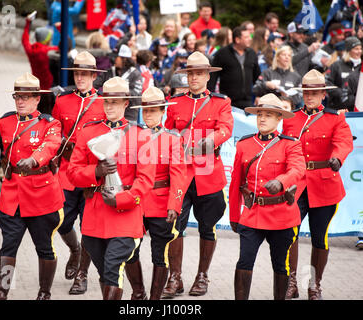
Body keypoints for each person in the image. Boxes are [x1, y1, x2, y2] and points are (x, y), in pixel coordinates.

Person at [66, 77, 156, 300]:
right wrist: (95, 172)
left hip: (126, 214)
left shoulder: (141, 135)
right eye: (106, 102)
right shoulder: (88, 132)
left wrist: (122, 199)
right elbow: (72, 173)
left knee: (112, 267)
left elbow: (145, 180)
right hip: (95, 214)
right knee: (105, 272)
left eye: (115, 102)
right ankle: (139, 294)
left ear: (126, 103)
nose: (110, 107)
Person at [162, 52, 234, 298]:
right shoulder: (175, 102)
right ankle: (175, 277)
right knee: (175, 227)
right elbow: (168, 131)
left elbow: (225, 129)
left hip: (208, 172)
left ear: (207, 76)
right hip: (180, 172)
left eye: (199, 73)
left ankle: (202, 276)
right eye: (191, 73)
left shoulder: (220, 102)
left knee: (208, 227)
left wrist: (206, 142)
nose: (194, 77)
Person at [282, 69, 354, 300]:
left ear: (323, 93)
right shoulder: (292, 119)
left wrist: (338, 158)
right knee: (289, 234)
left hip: (324, 185)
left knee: (319, 237)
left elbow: (343, 143)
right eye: (306, 92)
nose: (310, 96)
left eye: (314, 92)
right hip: (298, 184)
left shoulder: (335, 118)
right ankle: (291, 281)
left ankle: (315, 284)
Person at [0, 73, 64, 300]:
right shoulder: (5, 122)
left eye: (26, 97)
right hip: (13, 194)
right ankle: (2, 293)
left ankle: (44, 293)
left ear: (37, 99)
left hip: (41, 193)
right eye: (17, 97)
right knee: (8, 247)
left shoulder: (50, 123)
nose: (20, 101)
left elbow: (51, 145)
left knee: (44, 247)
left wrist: (34, 159)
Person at [229, 93, 305, 300]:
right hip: (253, 213)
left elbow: (298, 169)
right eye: (260, 114)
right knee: (244, 261)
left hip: (281, 215)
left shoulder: (290, 144)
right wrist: (234, 216)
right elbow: (236, 182)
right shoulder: (244, 144)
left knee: (280, 264)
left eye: (269, 115)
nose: (262, 118)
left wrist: (282, 181)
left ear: (279, 118)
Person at [124, 87, 187, 300]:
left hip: (161, 202)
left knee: (159, 255)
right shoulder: (133, 136)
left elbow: (179, 174)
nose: (149, 114)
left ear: (163, 112)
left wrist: (174, 205)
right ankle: (138, 291)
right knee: (129, 250)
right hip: (137, 201)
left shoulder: (173, 139)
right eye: (146, 110)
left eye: (154, 110)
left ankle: (155, 299)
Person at [52, 51, 107, 295]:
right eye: (77, 73)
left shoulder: (105, 102)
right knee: (61, 221)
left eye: (85, 74)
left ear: (94, 76)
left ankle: (82, 274)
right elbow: (53, 132)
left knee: (90, 226)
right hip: (67, 171)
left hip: (93, 173)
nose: (80, 78)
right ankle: (74, 250)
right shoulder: (62, 100)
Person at [209, 26, 260, 110]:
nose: (250, 39)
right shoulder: (222, 53)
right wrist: (210, 97)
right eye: (246, 37)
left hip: (247, 101)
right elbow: (213, 77)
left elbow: (257, 77)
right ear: (237, 40)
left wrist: (259, 94)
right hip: (227, 102)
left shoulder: (252, 53)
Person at [94, 45, 143, 121]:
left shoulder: (135, 74)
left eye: (116, 57)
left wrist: (119, 92)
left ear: (124, 59)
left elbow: (137, 97)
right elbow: (94, 84)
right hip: (110, 115)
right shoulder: (109, 71)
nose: (113, 59)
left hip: (129, 116)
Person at [22, 12, 58, 90]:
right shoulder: (49, 51)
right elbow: (65, 46)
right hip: (49, 86)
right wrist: (60, 29)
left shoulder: (30, 50)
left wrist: (28, 22)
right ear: (47, 39)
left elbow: (25, 40)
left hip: (36, 85)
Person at [325, 36, 362, 110]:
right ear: (349, 50)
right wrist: (340, 92)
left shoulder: (361, 68)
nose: (359, 51)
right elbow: (327, 83)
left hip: (357, 108)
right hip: (337, 108)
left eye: (360, 48)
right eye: (356, 49)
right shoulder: (337, 65)